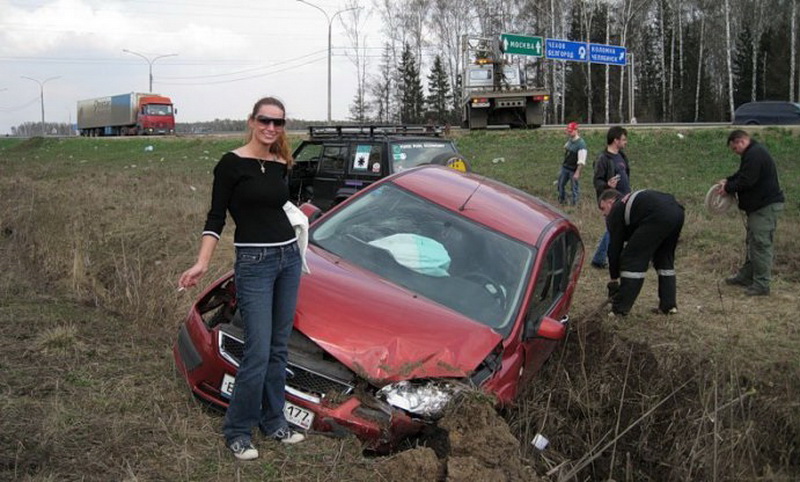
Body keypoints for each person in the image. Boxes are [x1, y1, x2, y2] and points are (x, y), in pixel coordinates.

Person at [178, 97, 306, 461]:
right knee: (258, 350)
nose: (271, 128)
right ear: (251, 121)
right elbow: (216, 217)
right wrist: (202, 262)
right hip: (255, 262)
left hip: (288, 259)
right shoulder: (230, 165)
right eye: (265, 121)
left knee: (279, 348)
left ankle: (274, 420)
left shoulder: (282, 162)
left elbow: (282, 208)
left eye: (278, 123)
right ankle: (238, 429)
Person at [718, 130, 784, 296]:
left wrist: (728, 188)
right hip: (758, 207)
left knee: (761, 244)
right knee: (752, 242)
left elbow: (747, 180)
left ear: (740, 142)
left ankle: (762, 284)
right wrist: (729, 180)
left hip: (765, 207)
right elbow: (743, 174)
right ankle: (746, 276)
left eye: (735, 148)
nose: (735, 152)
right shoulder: (752, 153)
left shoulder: (755, 154)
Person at [599, 189, 685, 316]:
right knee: (664, 259)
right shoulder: (630, 204)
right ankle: (668, 306)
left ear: (610, 202)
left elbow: (614, 248)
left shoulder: (616, 210)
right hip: (677, 212)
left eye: (602, 208)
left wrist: (613, 279)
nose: (603, 214)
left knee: (632, 260)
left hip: (658, 214)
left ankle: (619, 310)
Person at [590, 126, 631, 269]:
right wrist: (607, 185)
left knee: (614, 229)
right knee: (613, 229)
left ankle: (600, 258)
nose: (626, 142)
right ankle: (601, 259)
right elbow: (597, 181)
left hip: (624, 198)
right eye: (624, 139)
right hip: (610, 201)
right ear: (615, 140)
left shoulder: (622, 156)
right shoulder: (603, 159)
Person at [557, 122, 588, 206]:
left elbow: (581, 160)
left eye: (570, 131)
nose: (569, 133)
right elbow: (566, 147)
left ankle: (575, 204)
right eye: (568, 131)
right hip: (565, 167)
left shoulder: (581, 144)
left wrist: (577, 172)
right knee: (560, 184)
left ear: (576, 130)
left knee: (574, 188)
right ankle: (562, 200)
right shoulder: (570, 140)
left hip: (573, 170)